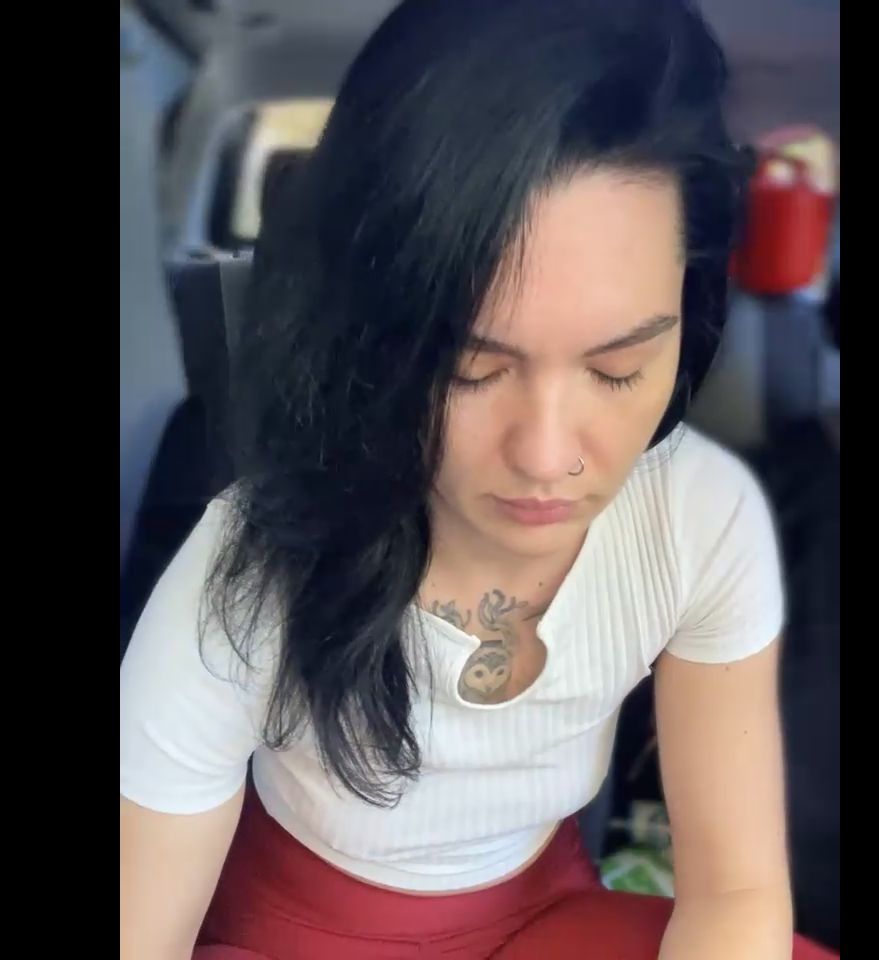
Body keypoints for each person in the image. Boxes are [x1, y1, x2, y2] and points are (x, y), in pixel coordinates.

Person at [120, 1, 839, 957]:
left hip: (543, 915)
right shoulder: (251, 565)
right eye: (470, 368)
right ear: (375, 338)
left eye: (618, 369)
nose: (546, 457)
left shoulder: (700, 519)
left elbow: (736, 893)